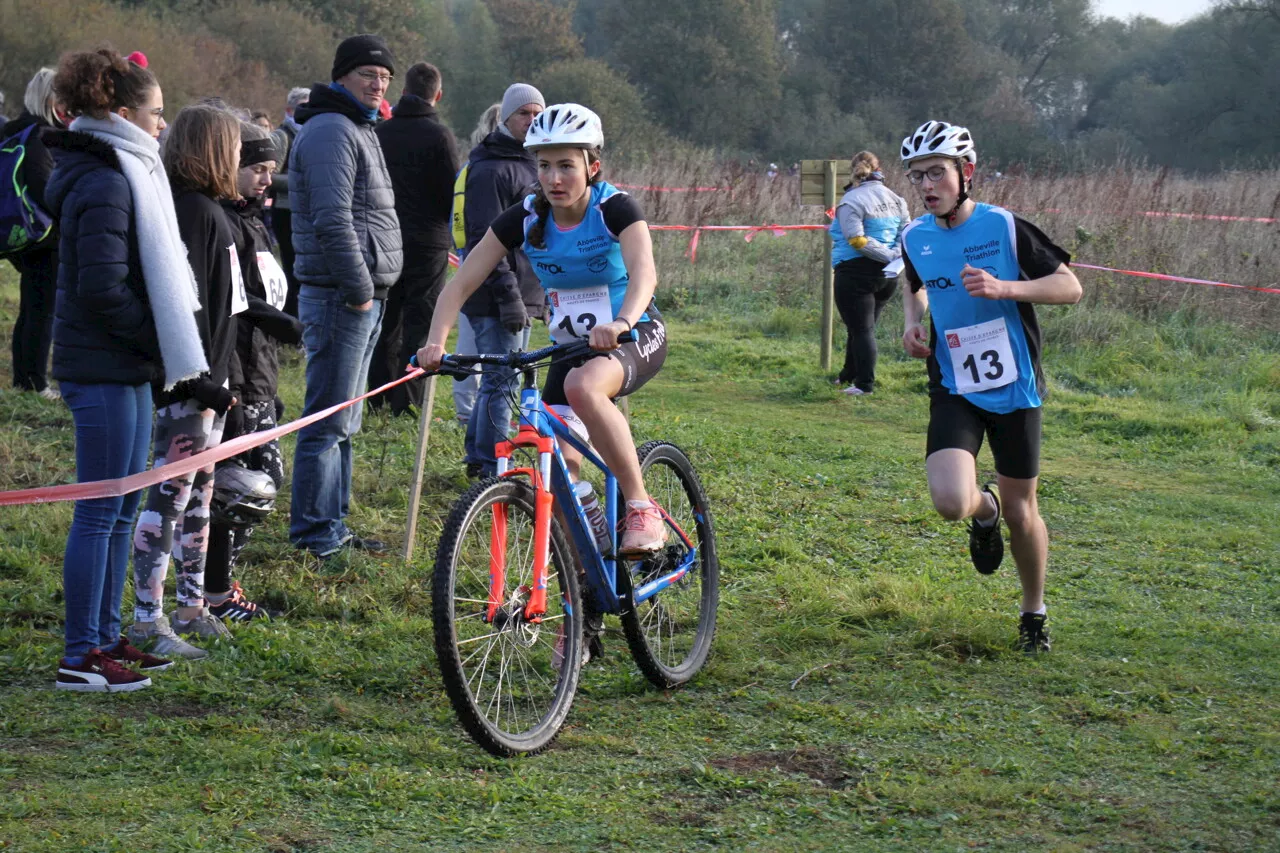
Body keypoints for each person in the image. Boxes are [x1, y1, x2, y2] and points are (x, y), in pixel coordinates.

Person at [417, 103, 669, 557]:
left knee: (583, 385)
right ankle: (592, 580)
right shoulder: (526, 217)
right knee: (560, 475)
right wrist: (436, 342)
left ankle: (640, 506)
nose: (554, 179)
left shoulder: (615, 208)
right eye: (545, 166)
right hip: (571, 346)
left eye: (567, 166)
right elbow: (461, 283)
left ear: (592, 166)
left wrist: (621, 321)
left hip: (636, 333)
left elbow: (644, 274)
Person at [45, 47, 199, 690]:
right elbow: (104, 287)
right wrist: (160, 337)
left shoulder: (128, 171)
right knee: (99, 511)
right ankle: (80, 655)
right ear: (120, 113)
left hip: (128, 365)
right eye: (155, 114)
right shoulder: (107, 180)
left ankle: (108, 638)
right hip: (103, 367)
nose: (162, 126)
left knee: (123, 506)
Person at [897, 120, 1082, 654]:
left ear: (967, 173)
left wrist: (1006, 287)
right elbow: (913, 282)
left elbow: (1070, 287)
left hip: (1013, 385)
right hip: (954, 383)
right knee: (952, 501)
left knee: (1025, 512)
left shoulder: (1004, 228)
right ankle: (985, 512)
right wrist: (913, 321)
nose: (927, 186)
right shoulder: (915, 236)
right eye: (917, 177)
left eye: (937, 173)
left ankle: (1033, 611)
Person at [127, 104, 246, 659]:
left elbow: (230, 307)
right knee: (168, 502)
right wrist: (201, 383)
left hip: (212, 389)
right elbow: (185, 307)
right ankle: (147, 619)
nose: (243, 155)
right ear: (213, 150)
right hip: (189, 390)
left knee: (200, 499)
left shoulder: (214, 211)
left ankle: (192, 606)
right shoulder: (194, 213)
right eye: (235, 145)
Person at [288, 34, 403, 559]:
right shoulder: (332, 130)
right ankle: (316, 534)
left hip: (364, 294)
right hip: (342, 296)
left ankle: (334, 524)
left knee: (346, 420)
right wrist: (359, 288)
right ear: (341, 78)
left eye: (384, 77)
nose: (378, 84)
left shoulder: (359, 125)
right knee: (326, 420)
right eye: (367, 75)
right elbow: (332, 219)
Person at [205, 120, 303, 621]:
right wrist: (297, 329)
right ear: (229, 166)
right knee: (242, 487)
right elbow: (239, 311)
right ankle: (213, 591)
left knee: (264, 482)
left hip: (262, 373)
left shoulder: (257, 221)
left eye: (271, 169)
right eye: (256, 169)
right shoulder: (222, 224)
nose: (266, 179)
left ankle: (218, 584)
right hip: (236, 378)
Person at [456, 83, 546, 478]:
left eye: (537, 114)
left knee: (500, 380)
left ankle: (479, 457)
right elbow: (483, 242)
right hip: (495, 294)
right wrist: (509, 296)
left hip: (524, 292)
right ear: (505, 118)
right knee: (500, 381)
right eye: (524, 113)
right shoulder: (490, 168)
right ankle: (492, 464)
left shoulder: (536, 164)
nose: (531, 121)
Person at [370, 61, 459, 416]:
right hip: (428, 240)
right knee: (421, 322)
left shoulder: (381, 132)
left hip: (385, 236)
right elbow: (453, 191)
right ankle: (407, 402)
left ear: (402, 93)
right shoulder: (440, 136)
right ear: (437, 95)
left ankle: (375, 395)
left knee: (385, 320)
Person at [4, 68, 66, 400]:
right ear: (49, 98)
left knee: (30, 307)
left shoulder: (14, 129)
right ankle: (36, 382)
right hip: (45, 235)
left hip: (19, 230)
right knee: (43, 311)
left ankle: (22, 377)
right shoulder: (42, 135)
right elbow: (46, 189)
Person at [829, 150, 910, 395]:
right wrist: (894, 255)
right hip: (888, 276)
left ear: (854, 171)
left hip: (854, 273)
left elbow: (856, 240)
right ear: (879, 170)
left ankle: (865, 385)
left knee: (861, 330)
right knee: (860, 328)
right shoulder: (897, 199)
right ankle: (847, 375)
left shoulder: (850, 201)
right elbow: (905, 234)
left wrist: (886, 255)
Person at [451, 101, 503, 429]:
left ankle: (477, 412)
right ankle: (469, 413)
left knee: (484, 344)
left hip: (471, 257)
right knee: (472, 342)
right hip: (476, 261)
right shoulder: (479, 169)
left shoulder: (470, 168)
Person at [267, 86, 310, 317]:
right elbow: (267, 177)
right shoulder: (282, 136)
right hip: (285, 210)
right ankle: (288, 320)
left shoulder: (309, 133)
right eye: (302, 107)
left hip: (304, 211)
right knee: (291, 268)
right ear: (289, 109)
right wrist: (300, 180)